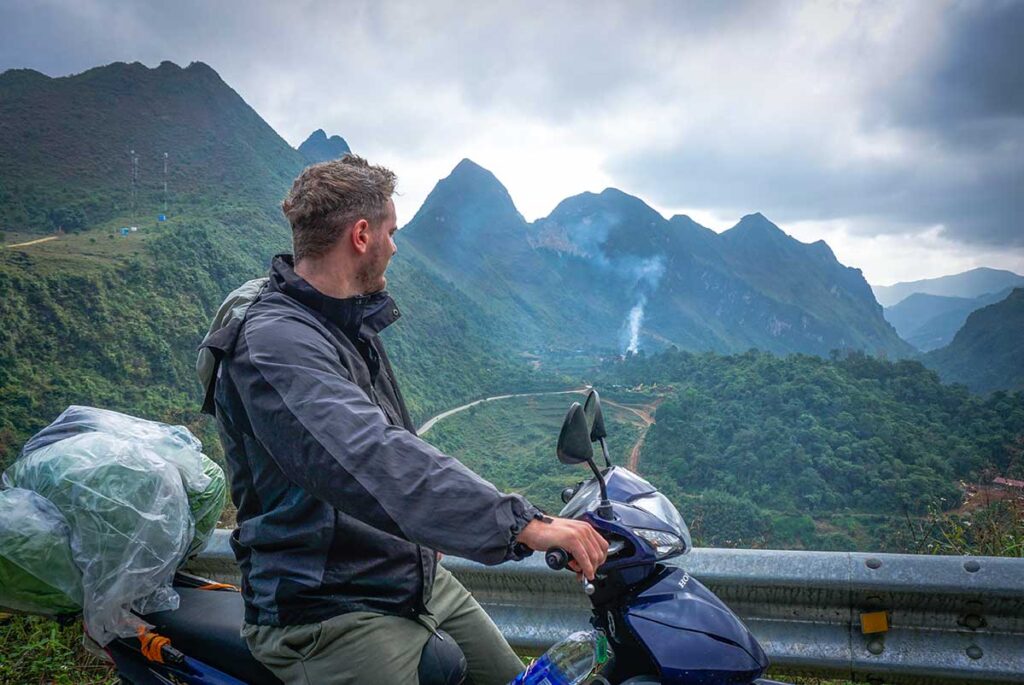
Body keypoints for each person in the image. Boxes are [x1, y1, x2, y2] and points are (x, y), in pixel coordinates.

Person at [197, 154, 607, 685]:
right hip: (328, 604)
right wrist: (522, 523)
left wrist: (433, 532)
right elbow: (372, 454)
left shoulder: (345, 319)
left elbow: (398, 440)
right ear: (362, 234)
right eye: (391, 231)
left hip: (405, 575)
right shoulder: (275, 342)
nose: (395, 245)